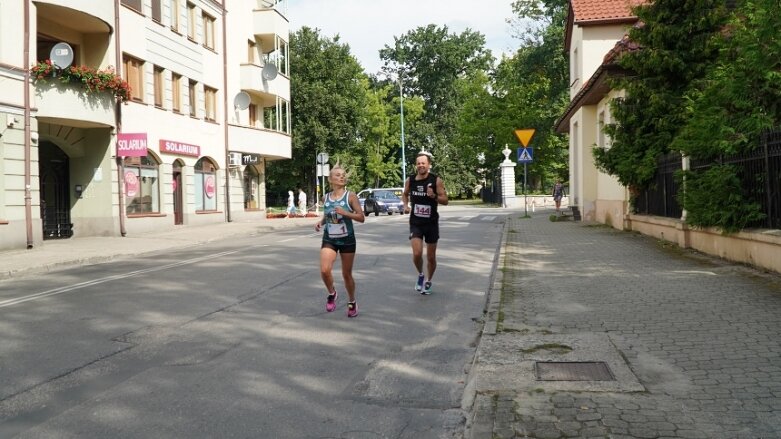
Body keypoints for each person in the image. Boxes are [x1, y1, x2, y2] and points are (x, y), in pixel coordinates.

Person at [314, 165, 365, 317]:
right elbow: (328, 215)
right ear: (330, 179)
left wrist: (345, 213)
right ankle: (332, 293)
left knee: (346, 274)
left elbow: (361, 217)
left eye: (343, 175)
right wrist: (321, 222)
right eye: (337, 175)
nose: (342, 177)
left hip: (347, 239)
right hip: (329, 238)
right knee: (324, 270)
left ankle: (352, 301)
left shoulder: (351, 196)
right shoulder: (325, 198)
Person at [402, 152, 448, 295]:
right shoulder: (410, 180)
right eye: (418, 163)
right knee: (417, 254)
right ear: (416, 165)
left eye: (423, 163)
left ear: (428, 165)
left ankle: (429, 280)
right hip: (416, 222)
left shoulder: (436, 180)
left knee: (431, 257)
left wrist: (433, 196)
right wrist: (405, 205)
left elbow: (445, 200)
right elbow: (405, 194)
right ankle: (421, 275)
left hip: (431, 223)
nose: (421, 165)